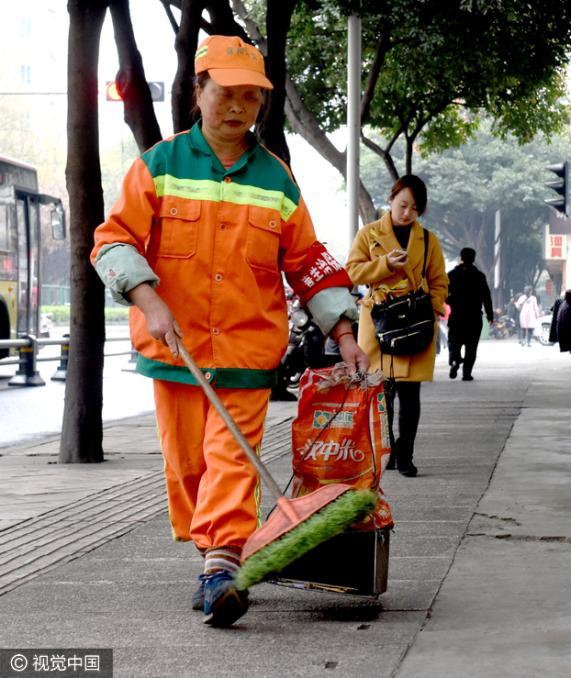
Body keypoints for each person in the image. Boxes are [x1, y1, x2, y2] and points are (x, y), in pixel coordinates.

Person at [90, 35, 369, 629]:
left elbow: (308, 262)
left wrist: (345, 330)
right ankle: (213, 554)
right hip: (177, 350)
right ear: (198, 92)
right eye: (226, 93)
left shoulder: (278, 181)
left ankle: (222, 566)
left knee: (231, 460)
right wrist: (146, 295)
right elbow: (112, 240)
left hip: (245, 351)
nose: (239, 107)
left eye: (251, 97)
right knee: (188, 467)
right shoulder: (158, 167)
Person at [346, 175, 448, 477]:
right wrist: (385, 265)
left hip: (414, 320)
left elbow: (439, 280)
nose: (407, 213)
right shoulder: (368, 234)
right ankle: (386, 450)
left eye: (415, 208)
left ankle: (406, 454)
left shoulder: (428, 240)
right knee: (382, 391)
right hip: (379, 319)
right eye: (403, 205)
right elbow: (352, 271)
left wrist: (432, 308)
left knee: (410, 392)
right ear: (391, 200)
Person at [446, 247, 494, 381]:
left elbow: (443, 294)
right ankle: (466, 374)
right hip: (474, 318)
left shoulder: (451, 275)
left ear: (461, 257)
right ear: (474, 258)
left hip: (456, 316)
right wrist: (490, 315)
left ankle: (455, 359)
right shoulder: (479, 276)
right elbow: (486, 297)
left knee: (454, 342)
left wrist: (450, 301)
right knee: (471, 347)